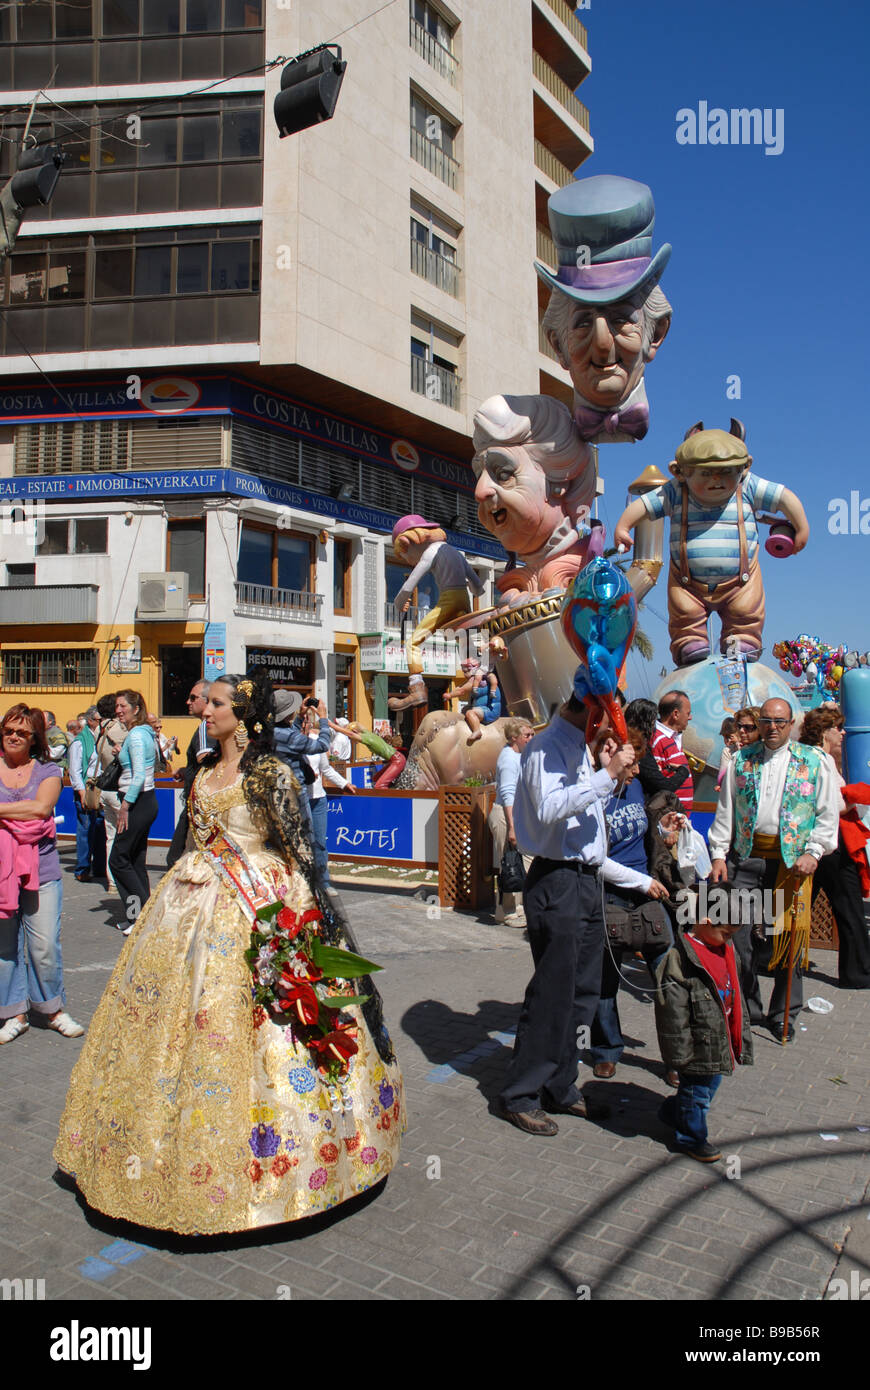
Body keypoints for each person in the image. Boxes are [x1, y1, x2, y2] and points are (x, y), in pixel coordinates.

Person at [54, 670, 403, 1234]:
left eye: (215, 704)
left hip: (258, 903)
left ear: (244, 714)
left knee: (264, 1025)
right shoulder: (200, 771)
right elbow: (192, 841)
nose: (205, 711)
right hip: (189, 908)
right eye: (206, 703)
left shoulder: (271, 774)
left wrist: (300, 924)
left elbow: (299, 852)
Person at [498, 677, 665, 1136]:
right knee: (553, 993)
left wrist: (605, 772)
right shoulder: (545, 748)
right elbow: (552, 810)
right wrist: (607, 775)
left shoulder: (579, 750)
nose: (611, 731)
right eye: (607, 718)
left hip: (585, 880)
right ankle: (521, 1093)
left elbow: (588, 819)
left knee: (583, 992)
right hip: (558, 880)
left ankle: (561, 1084)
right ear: (590, 711)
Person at [614, 421, 809, 665]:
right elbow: (643, 506)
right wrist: (623, 526)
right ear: (680, 471)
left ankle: (743, 637)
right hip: (688, 584)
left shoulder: (747, 486)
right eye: (705, 473)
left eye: (726, 471)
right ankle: (689, 639)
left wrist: (801, 526)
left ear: (745, 467)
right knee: (685, 612)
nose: (716, 479)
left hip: (741, 582)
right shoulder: (676, 491)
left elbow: (783, 498)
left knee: (746, 611)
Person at [708, 698, 839, 1040]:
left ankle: (784, 1013)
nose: (773, 728)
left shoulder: (814, 761)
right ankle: (747, 1010)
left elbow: (827, 813)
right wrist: (719, 853)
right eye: (766, 721)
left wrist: (814, 850)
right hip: (746, 858)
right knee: (738, 938)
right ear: (759, 723)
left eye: (780, 722)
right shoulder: (741, 760)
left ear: (791, 723)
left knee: (787, 939)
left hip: (791, 863)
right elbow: (726, 811)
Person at [589, 727, 675, 1082]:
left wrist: (666, 829)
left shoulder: (638, 786)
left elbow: (647, 832)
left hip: (647, 894)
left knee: (669, 978)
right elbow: (594, 859)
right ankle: (607, 1049)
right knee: (605, 982)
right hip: (610, 893)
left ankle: (676, 1056)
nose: (637, 770)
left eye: (638, 761)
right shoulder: (594, 793)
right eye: (631, 763)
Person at [0, 704, 83, 1043]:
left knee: (44, 945)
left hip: (43, 869)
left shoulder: (47, 770)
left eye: (22, 732)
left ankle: (51, 1010)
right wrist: (22, 815)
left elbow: (42, 807)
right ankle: (14, 1012)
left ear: (35, 737)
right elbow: (31, 812)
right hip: (3, 872)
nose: (14, 737)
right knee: (5, 948)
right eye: (8, 731)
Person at [655, 911, 753, 1162]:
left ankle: (675, 1111)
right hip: (696, 1040)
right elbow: (673, 1012)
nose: (728, 939)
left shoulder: (725, 949)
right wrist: (679, 1051)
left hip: (717, 1036)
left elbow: (735, 990)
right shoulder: (680, 958)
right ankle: (691, 1137)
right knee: (698, 1093)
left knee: (709, 1086)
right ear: (707, 922)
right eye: (726, 933)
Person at [799, 707, 870, 989]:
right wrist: (855, 798)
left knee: (799, 902)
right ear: (824, 731)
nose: (842, 733)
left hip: (817, 841)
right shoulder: (823, 760)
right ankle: (857, 972)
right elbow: (832, 804)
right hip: (831, 841)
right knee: (848, 906)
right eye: (837, 728)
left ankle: (771, 956)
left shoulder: (813, 758)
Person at [387, 515, 485, 709]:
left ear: (411, 542)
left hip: (449, 599)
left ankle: (416, 689)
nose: (408, 561)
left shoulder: (431, 552)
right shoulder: (457, 554)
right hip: (464, 601)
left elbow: (410, 583)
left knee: (413, 643)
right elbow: (478, 587)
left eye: (405, 556)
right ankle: (480, 689)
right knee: (468, 647)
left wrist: (398, 603)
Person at [109, 690, 159, 934]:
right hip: (144, 800)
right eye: (116, 706)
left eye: (122, 706)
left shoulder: (137, 735)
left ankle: (146, 913)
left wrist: (125, 806)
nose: (118, 710)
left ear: (136, 709)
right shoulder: (141, 734)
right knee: (134, 860)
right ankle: (134, 918)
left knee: (117, 859)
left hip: (137, 802)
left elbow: (139, 775)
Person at [487, 718, 534, 926]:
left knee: (520, 862)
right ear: (514, 737)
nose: (531, 739)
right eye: (527, 735)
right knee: (509, 863)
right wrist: (512, 827)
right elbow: (507, 793)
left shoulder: (520, 755)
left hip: (517, 815)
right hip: (506, 815)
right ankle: (507, 911)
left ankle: (518, 906)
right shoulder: (508, 759)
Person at [303, 709, 356, 891]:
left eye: (308, 722)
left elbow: (326, 769)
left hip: (318, 798)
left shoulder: (317, 742)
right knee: (302, 842)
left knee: (320, 842)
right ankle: (304, 882)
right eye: (304, 721)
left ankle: (323, 882)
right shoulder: (291, 742)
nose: (307, 725)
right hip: (300, 798)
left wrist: (344, 784)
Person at [167, 680, 216, 869]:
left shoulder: (206, 726)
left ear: (207, 700)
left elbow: (206, 760)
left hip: (198, 804)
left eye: (193, 698)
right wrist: (186, 771)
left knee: (177, 859)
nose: (188, 702)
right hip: (202, 803)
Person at [272, 692, 331, 828]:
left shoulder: (270, 732)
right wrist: (323, 718)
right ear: (288, 714)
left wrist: (299, 717)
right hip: (294, 793)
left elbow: (288, 736)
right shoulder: (290, 737)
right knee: (303, 838)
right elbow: (323, 745)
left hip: (277, 788)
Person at [68, 705, 107, 883]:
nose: (102, 723)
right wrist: (81, 792)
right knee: (86, 828)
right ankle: (83, 868)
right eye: (99, 720)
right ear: (91, 721)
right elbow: (75, 770)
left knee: (100, 828)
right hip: (87, 788)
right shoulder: (79, 742)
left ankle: (99, 867)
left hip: (101, 788)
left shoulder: (103, 738)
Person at [625, 697, 691, 800]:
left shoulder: (624, 744)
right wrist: (683, 771)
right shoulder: (639, 750)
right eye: (653, 722)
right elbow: (664, 786)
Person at [95, 693, 127, 898]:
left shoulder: (100, 730)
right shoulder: (119, 730)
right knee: (125, 837)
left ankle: (111, 881)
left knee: (110, 836)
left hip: (104, 789)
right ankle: (123, 879)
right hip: (118, 788)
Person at [649, 692, 693, 813]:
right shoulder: (657, 740)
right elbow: (657, 782)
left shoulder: (674, 737)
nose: (690, 718)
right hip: (669, 819)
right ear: (675, 714)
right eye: (688, 714)